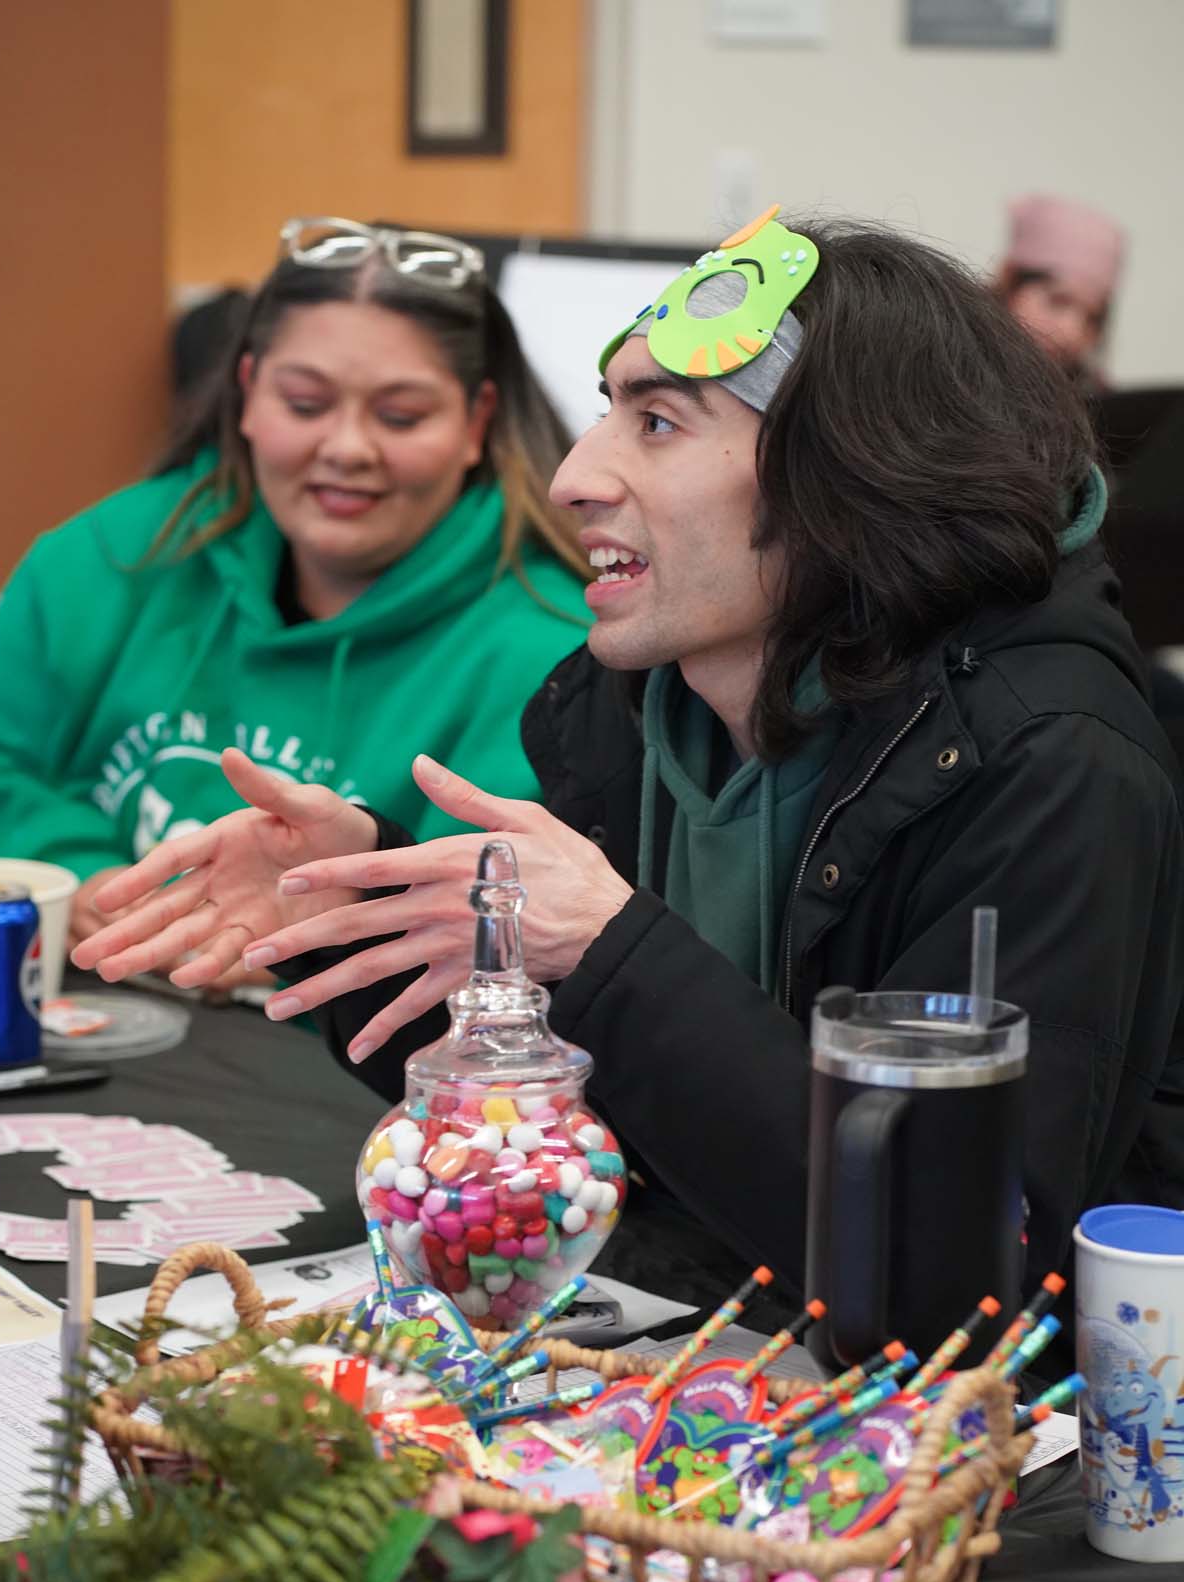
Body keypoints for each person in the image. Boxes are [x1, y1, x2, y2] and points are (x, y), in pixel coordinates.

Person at [74, 208, 1184, 1315]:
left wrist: (611, 951)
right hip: (693, 1325)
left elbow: (949, 1281)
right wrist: (365, 898)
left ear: (844, 474)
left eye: (657, 423)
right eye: (611, 410)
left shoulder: (1049, 765)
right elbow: (574, 1120)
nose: (571, 477)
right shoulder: (632, 702)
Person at [0, 217, 588, 955]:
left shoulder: (552, 656)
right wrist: (79, 873)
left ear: (476, 421)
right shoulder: (118, 556)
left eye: (401, 416)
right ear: (247, 394)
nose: (346, 448)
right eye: (305, 404)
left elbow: (498, 927)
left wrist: (313, 940)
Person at [995, 194, 1125, 387]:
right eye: (1058, 301)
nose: (1072, 331)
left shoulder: (1097, 400)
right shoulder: (949, 366)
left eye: (1093, 318)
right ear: (1009, 278)